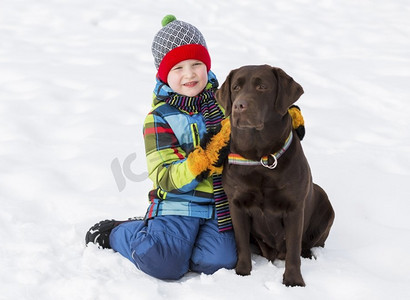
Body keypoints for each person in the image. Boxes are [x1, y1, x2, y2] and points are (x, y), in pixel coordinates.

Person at [85, 15, 305, 280]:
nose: (189, 74)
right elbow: (164, 177)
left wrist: (286, 115)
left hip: (218, 208)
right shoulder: (159, 118)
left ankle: (173, 244)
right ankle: (123, 232)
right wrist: (200, 161)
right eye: (177, 68)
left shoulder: (223, 101)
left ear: (207, 66)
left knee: (220, 261)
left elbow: (258, 111)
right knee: (164, 264)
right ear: (165, 75)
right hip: (178, 206)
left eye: (196, 64)